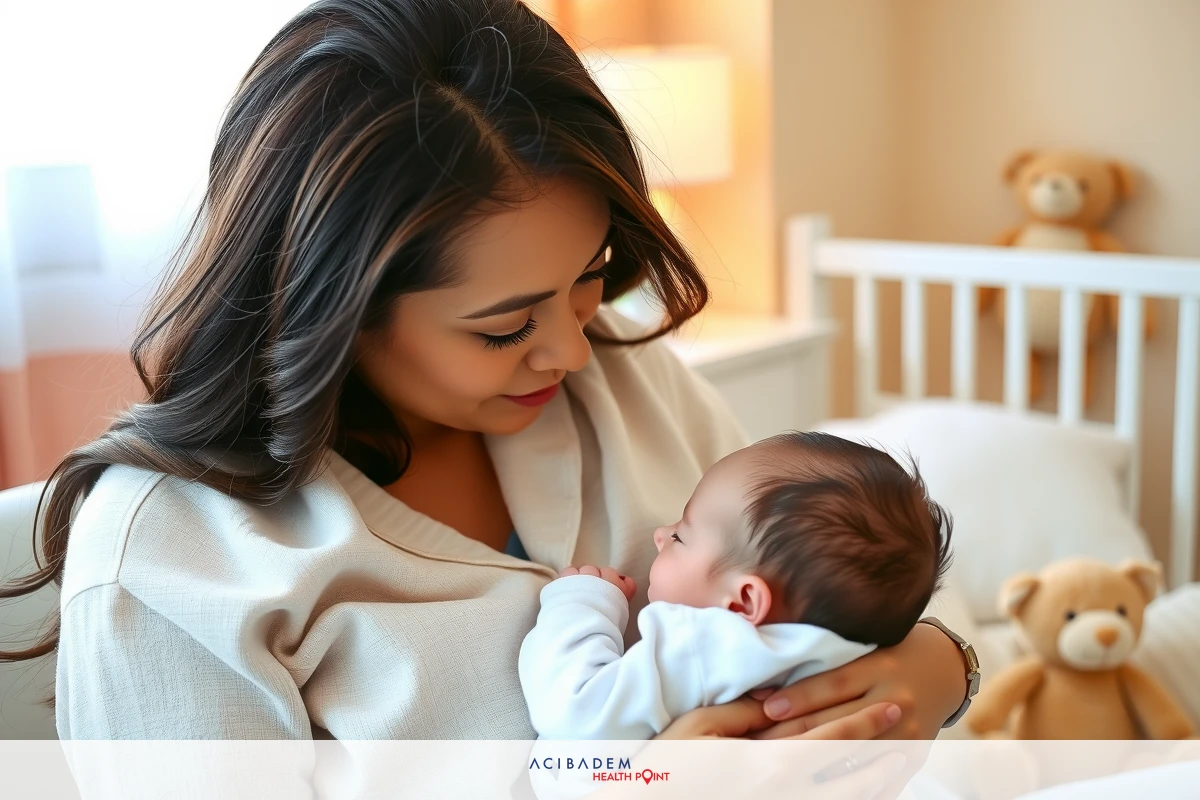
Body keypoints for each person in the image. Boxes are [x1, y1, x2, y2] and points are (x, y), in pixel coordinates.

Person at [0, 0, 971, 749]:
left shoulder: (629, 381)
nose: (572, 352)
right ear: (326, 308)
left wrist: (936, 669)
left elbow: (880, 568)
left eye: (589, 277)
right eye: (506, 325)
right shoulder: (173, 563)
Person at [519, 432, 954, 739]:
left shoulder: (710, 646)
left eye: (681, 535)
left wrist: (580, 604)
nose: (659, 533)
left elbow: (572, 711)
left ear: (744, 602)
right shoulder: (853, 647)